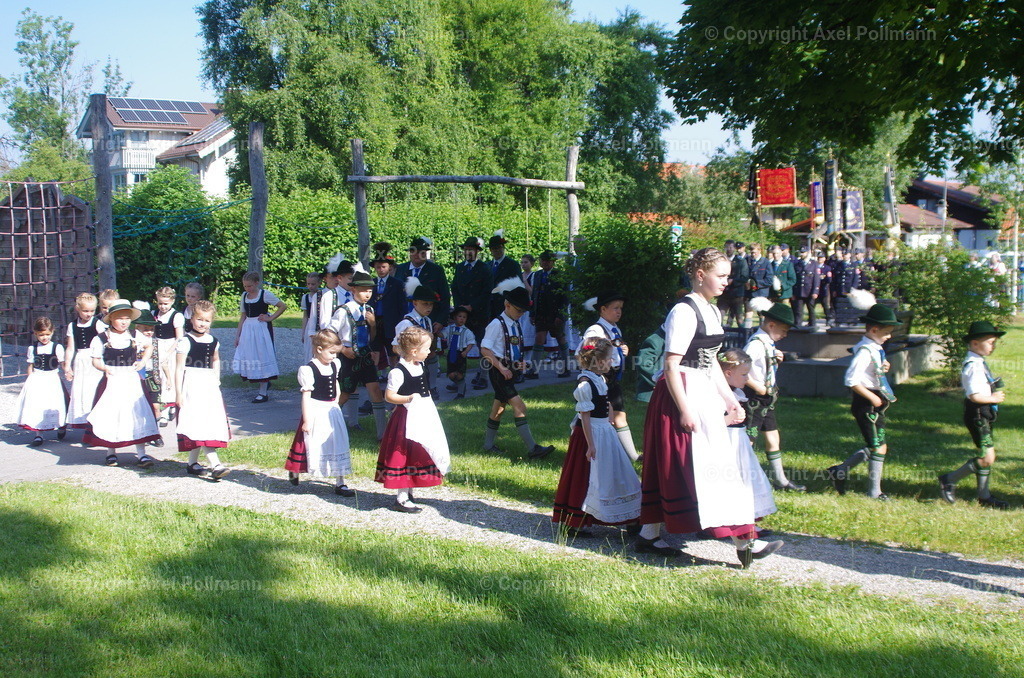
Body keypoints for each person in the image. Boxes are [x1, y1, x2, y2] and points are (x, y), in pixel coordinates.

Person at [637, 248, 781, 568]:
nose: (727, 282)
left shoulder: (712, 311)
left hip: (702, 390)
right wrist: (685, 408)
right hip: (680, 394)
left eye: (728, 276)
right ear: (700, 275)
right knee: (695, 467)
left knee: (697, 466)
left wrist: (729, 398)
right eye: (721, 276)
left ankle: (649, 533)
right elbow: (671, 365)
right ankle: (745, 540)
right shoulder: (684, 312)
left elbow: (712, 361)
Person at [553, 337, 641, 536]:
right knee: (586, 477)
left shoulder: (598, 379)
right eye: (610, 359)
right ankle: (576, 520)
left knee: (617, 472)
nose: (612, 362)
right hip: (590, 435)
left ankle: (630, 516)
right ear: (600, 362)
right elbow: (585, 416)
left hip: (604, 431)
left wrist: (609, 417)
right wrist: (590, 445)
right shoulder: (585, 384)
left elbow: (604, 403)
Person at [826, 293, 901, 499]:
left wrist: (883, 367)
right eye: (886, 332)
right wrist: (872, 398)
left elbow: (871, 371)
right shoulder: (865, 351)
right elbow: (851, 380)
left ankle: (840, 471)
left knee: (878, 445)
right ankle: (874, 492)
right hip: (867, 404)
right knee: (878, 447)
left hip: (874, 402)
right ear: (874, 330)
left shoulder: (874, 349)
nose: (889, 336)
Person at [377, 326, 451, 513]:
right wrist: (408, 398)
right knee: (404, 454)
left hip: (423, 415)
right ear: (414, 351)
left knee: (419, 451)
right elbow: (389, 396)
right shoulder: (398, 371)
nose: (429, 352)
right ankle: (401, 497)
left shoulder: (421, 366)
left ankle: (409, 489)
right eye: (426, 349)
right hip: (405, 419)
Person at [938, 321, 1010, 509]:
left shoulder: (979, 362)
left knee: (985, 454)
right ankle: (949, 479)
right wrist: (992, 397)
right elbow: (974, 395)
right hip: (978, 415)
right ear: (976, 343)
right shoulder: (973, 365)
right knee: (987, 458)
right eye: (990, 342)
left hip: (983, 415)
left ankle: (984, 496)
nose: (993, 346)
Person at [479, 278, 554, 459]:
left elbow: (510, 348)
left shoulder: (515, 323)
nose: (521, 313)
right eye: (518, 310)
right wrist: (502, 368)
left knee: (498, 409)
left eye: (523, 311)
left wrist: (518, 364)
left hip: (508, 370)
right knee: (520, 407)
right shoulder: (496, 324)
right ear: (507, 304)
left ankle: (488, 445)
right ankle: (533, 448)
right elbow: (485, 349)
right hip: (498, 372)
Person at [82, 299, 161, 466]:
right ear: (111, 318)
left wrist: (142, 361)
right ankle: (111, 451)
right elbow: (95, 360)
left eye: (127, 318)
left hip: (131, 380)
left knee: (138, 413)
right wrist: (104, 368)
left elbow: (149, 346)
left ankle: (141, 454)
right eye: (119, 318)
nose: (124, 322)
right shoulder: (101, 338)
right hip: (112, 380)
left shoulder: (134, 335)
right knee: (112, 414)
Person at [743, 299, 805, 491]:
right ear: (771, 325)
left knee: (772, 437)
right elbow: (740, 369)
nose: (785, 335)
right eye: (784, 330)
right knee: (749, 439)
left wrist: (777, 358)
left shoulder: (768, 343)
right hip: (754, 398)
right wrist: (757, 387)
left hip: (767, 399)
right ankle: (745, 477)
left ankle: (781, 480)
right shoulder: (755, 345)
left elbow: (767, 366)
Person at [285, 329, 355, 496]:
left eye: (336, 353)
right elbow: (306, 396)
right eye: (331, 353)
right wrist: (307, 420)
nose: (334, 357)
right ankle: (296, 470)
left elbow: (335, 382)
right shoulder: (308, 369)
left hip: (332, 410)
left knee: (338, 442)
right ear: (318, 349)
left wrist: (337, 400)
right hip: (317, 409)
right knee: (311, 443)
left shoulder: (334, 364)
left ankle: (340, 481)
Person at [718, 348, 780, 534]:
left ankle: (746, 521)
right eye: (744, 374)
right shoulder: (719, 395)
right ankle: (724, 524)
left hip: (739, 443)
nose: (747, 379)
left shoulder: (738, 392)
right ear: (728, 373)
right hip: (726, 444)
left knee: (747, 481)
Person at [579, 291, 639, 462]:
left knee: (618, 415)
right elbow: (585, 353)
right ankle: (627, 455)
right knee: (596, 416)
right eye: (615, 308)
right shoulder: (595, 330)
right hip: (601, 378)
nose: (619, 311)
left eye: (620, 308)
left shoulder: (614, 329)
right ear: (603, 309)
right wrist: (596, 376)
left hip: (611, 378)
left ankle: (630, 455)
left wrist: (623, 351)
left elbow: (614, 349)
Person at [175, 299, 230, 479]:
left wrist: (216, 378)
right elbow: (179, 368)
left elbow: (215, 359)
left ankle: (192, 463)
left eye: (206, 320)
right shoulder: (185, 341)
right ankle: (216, 464)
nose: (202, 324)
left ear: (211, 322)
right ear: (192, 318)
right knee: (198, 422)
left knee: (206, 421)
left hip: (208, 385)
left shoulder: (213, 341)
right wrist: (178, 393)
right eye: (199, 319)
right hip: (191, 384)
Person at [331, 269, 388, 439]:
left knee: (376, 391)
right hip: (348, 357)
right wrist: (342, 349)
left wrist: (373, 325)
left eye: (370, 290)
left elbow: (372, 337)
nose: (367, 294)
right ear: (353, 290)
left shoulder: (369, 309)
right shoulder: (343, 311)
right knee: (345, 394)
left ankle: (382, 435)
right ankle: (328, 426)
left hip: (365, 356)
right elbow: (329, 334)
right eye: (363, 290)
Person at [233, 271, 286, 403]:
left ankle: (263, 392)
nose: (247, 289)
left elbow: (282, 306)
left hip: (261, 328)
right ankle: (263, 383)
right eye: (245, 286)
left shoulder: (265, 294)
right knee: (250, 355)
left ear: (257, 283)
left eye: (250, 286)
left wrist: (270, 318)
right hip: (248, 328)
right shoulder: (244, 296)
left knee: (262, 355)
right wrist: (238, 335)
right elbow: (243, 316)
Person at [14, 317, 67, 446]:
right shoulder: (33, 348)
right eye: (41, 334)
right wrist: (29, 380)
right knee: (38, 405)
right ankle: (39, 434)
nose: (44, 337)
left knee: (56, 403)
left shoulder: (57, 347)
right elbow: (31, 366)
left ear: (52, 332)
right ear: (36, 333)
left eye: (47, 334)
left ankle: (61, 425)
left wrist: (68, 372)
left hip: (52, 378)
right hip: (38, 378)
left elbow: (62, 363)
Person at [451, 236, 491, 389]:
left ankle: (483, 376)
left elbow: (487, 292)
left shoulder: (484, 268)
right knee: (460, 346)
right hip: (463, 313)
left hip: (479, 313)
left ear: (477, 251)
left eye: (471, 250)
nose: (468, 252)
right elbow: (455, 288)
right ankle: (458, 378)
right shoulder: (460, 267)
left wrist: (472, 306)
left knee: (483, 346)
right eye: (466, 250)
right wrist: (460, 307)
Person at [394, 278, 441, 400]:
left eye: (431, 304)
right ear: (415, 303)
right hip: (408, 367)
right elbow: (395, 347)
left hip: (423, 366)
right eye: (425, 303)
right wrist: (412, 355)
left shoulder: (428, 320)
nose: (429, 307)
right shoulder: (406, 323)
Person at [528, 250, 570, 379]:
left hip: (555, 313)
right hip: (541, 312)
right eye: (543, 260)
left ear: (553, 262)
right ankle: (534, 370)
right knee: (539, 338)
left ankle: (566, 367)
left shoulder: (560, 275)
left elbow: (565, 297)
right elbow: (534, 295)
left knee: (560, 338)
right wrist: (532, 312)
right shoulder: (538, 274)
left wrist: (561, 315)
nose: (545, 263)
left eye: (547, 260)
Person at [63, 292, 102, 430]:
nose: (89, 314)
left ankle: (97, 423)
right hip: (81, 361)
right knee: (82, 392)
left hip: (95, 360)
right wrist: (67, 366)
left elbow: (105, 343)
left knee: (95, 390)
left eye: (92, 311)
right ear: (78, 309)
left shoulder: (98, 324)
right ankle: (85, 424)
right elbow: (70, 348)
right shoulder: (72, 326)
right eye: (85, 311)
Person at [395, 236, 451, 331]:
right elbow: (395, 296)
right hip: (403, 320)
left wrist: (441, 321)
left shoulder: (436, 271)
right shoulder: (400, 269)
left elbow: (445, 297)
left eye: (421, 252)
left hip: (429, 321)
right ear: (410, 253)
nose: (417, 255)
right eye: (414, 251)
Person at [132, 303, 164, 448]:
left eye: (151, 329)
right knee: (141, 407)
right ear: (137, 328)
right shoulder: (134, 342)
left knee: (156, 406)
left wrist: (167, 377)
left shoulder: (156, 342)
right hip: (138, 377)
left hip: (153, 375)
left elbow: (162, 362)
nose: (149, 332)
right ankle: (142, 434)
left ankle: (155, 433)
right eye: (146, 329)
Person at [370, 242, 404, 377]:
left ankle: (395, 375)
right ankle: (373, 376)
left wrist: (401, 324)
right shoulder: (370, 283)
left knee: (393, 351)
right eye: (378, 267)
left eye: (383, 267)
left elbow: (401, 306)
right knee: (375, 350)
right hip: (374, 322)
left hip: (391, 322)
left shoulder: (397, 284)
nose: (381, 270)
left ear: (389, 267)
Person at [152, 286, 185, 426]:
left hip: (170, 349)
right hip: (156, 348)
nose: (162, 306)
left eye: (165, 303)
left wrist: (168, 352)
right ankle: (161, 406)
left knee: (168, 379)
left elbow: (179, 338)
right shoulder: (154, 314)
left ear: (172, 301)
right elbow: (152, 332)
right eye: (160, 303)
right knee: (157, 378)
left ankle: (166, 410)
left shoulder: (176, 316)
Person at [486, 230, 523, 320]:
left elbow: (518, 286)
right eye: (494, 248)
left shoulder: (512, 265)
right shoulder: (487, 265)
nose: (497, 250)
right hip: (489, 307)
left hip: (505, 306)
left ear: (503, 248)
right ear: (491, 250)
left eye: (499, 247)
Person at [441, 306, 476, 400]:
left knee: (459, 373)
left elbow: (471, 342)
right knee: (451, 374)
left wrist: (466, 351)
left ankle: (461, 392)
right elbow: (442, 335)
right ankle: (458, 384)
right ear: (455, 317)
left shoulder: (467, 331)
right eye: (460, 316)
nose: (462, 319)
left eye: (464, 317)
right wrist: (436, 331)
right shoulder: (449, 328)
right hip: (451, 353)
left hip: (460, 354)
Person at [318, 253, 354, 330]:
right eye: (350, 278)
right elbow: (324, 323)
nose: (353, 281)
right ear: (340, 278)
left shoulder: (355, 295)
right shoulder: (329, 296)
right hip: (335, 339)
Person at [718, 240, 748, 328]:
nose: (729, 249)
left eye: (731, 247)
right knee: (719, 316)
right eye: (727, 247)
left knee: (739, 319)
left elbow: (744, 277)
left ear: (734, 248)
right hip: (724, 294)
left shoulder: (740, 261)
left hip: (736, 294)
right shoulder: (721, 261)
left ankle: (743, 338)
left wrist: (733, 281)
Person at [745, 243, 772, 327]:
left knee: (762, 315)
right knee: (748, 313)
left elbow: (769, 280)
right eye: (752, 252)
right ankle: (747, 333)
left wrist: (757, 283)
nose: (753, 254)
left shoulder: (766, 262)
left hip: (761, 293)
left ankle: (762, 331)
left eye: (755, 252)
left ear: (760, 251)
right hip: (749, 292)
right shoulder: (747, 261)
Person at [791, 246, 820, 328]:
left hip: (809, 290)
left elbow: (816, 279)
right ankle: (798, 325)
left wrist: (815, 291)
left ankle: (812, 324)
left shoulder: (814, 264)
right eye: (801, 252)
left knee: (811, 309)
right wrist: (793, 292)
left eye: (804, 252)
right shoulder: (797, 263)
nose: (802, 254)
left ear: (808, 252)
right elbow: (795, 278)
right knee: (798, 310)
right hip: (799, 290)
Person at [300, 272, 323, 363]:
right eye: (308, 284)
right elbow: (305, 316)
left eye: (313, 284)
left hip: (320, 323)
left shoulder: (323, 296)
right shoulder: (305, 297)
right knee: (308, 348)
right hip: (310, 324)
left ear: (319, 283)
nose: (310, 286)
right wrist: (303, 332)